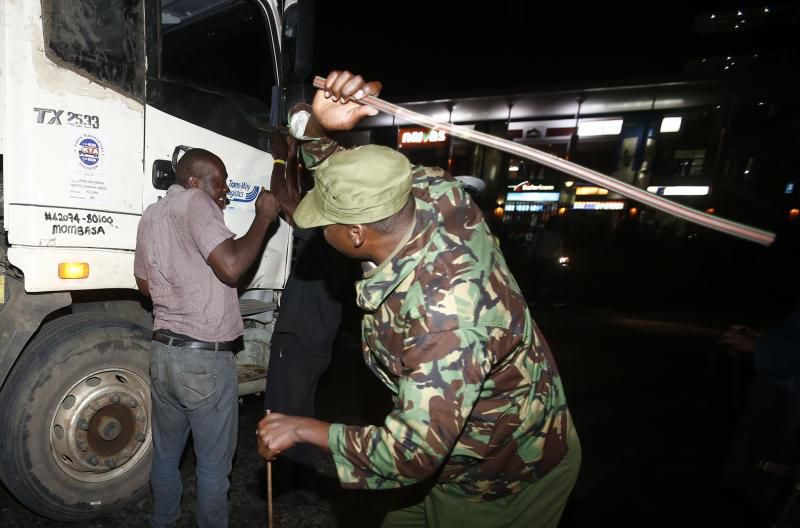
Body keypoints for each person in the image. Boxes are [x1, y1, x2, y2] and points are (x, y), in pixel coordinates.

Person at [257, 71, 581, 527]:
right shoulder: (431, 191)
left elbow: (408, 453)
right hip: (447, 456)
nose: (317, 227)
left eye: (323, 222)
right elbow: (346, 176)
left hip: (500, 476)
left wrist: (300, 428)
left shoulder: (446, 317)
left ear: (355, 235)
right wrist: (317, 122)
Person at [134, 148, 280, 528]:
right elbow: (231, 267)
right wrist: (264, 218)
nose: (227, 192)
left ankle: (162, 521)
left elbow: (145, 285)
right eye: (221, 182)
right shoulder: (196, 202)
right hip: (203, 361)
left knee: (166, 457)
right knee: (214, 469)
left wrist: (184, 287)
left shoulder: (151, 215)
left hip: (163, 354)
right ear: (194, 181)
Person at [264, 133, 354, 503]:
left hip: (298, 335)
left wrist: (278, 161)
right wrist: (291, 160)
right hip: (319, 339)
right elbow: (295, 201)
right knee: (302, 409)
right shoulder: (348, 230)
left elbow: (281, 201)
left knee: (282, 413)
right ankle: (301, 487)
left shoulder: (326, 232)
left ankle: (283, 488)